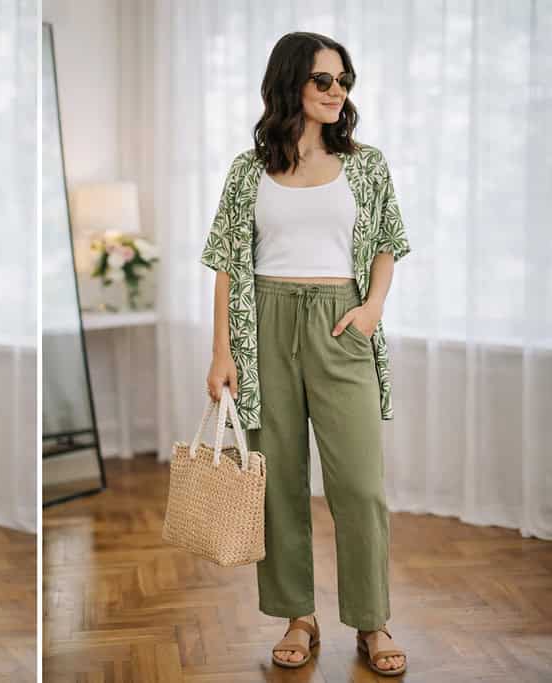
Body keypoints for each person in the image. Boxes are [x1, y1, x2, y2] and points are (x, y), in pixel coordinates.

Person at [201, 32, 411, 676]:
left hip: (340, 321)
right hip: (263, 324)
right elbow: (227, 265)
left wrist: (371, 309)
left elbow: (387, 241)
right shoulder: (247, 170)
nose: (336, 91)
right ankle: (298, 614)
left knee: (360, 486)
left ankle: (372, 620)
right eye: (324, 79)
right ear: (290, 82)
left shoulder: (367, 164)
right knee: (278, 483)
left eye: (343, 81)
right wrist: (220, 354)